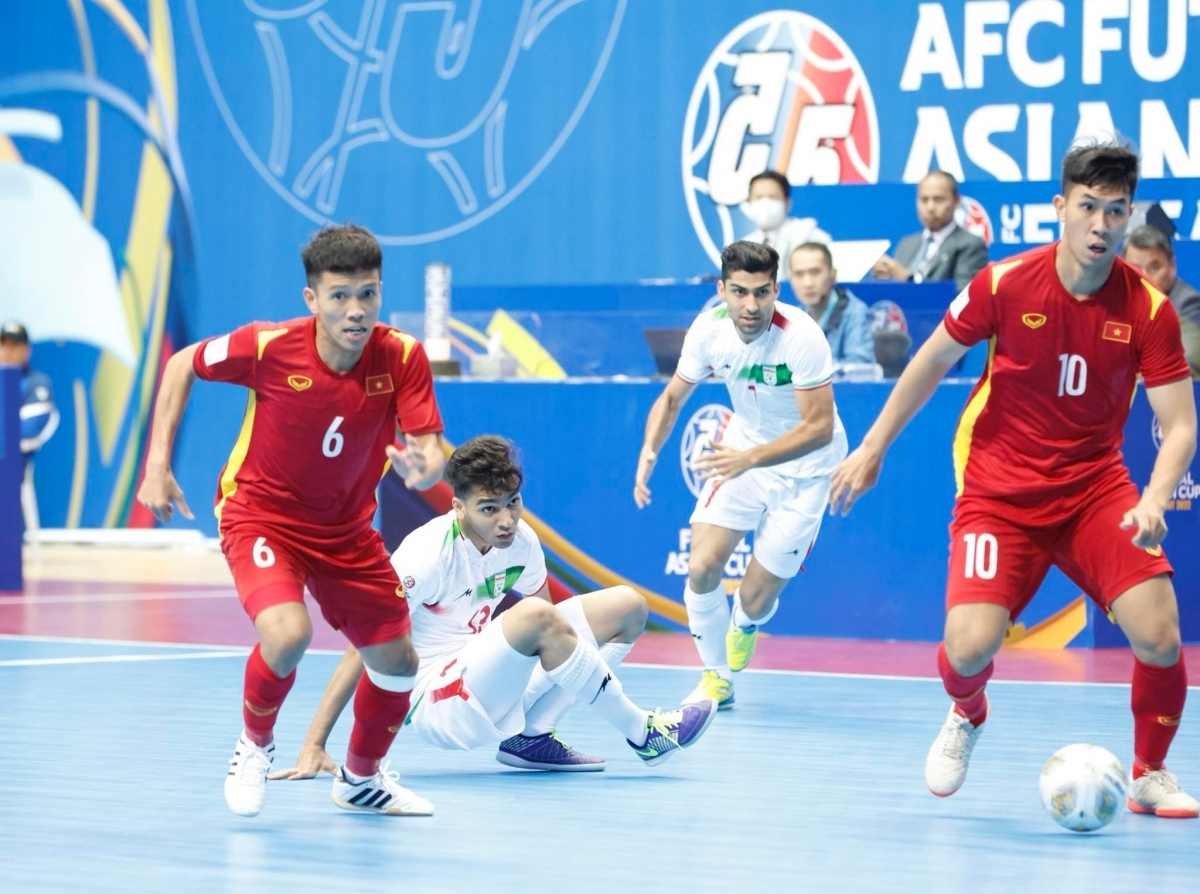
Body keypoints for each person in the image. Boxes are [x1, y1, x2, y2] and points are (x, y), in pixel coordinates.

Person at [831, 142, 1199, 817]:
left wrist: (1153, 497)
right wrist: (874, 445)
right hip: (1000, 495)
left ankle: (1151, 772)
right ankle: (967, 713)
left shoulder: (1149, 311)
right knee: (967, 650)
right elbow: (932, 360)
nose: (1100, 224)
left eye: (1115, 212)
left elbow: (1179, 425)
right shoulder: (1003, 285)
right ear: (1061, 207)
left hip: (1096, 492)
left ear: (1125, 218)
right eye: (1088, 207)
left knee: (1160, 633)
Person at [136, 224, 447, 818]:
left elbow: (429, 448)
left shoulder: (402, 355)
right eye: (339, 296)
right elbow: (180, 364)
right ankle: (253, 746)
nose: (355, 310)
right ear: (312, 300)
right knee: (287, 635)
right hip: (263, 517)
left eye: (368, 294)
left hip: (347, 531)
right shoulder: (267, 345)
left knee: (398, 663)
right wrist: (157, 464)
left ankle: (360, 779)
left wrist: (425, 469)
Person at [269, 435, 717, 780]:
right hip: (438, 702)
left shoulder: (521, 542)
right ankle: (644, 733)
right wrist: (314, 742)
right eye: (489, 509)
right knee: (532, 618)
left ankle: (532, 737)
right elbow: (362, 649)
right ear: (458, 507)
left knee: (627, 607)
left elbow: (558, 635)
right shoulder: (426, 554)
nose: (506, 520)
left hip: (488, 673)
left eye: (513, 504)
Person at [634, 241, 848, 708]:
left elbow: (819, 428)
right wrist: (650, 450)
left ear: (775, 289)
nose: (751, 305)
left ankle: (746, 624)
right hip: (745, 450)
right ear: (722, 290)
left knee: (753, 599)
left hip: (806, 471)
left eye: (761, 292)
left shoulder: (802, 337)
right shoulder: (708, 332)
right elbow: (672, 398)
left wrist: (748, 459)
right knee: (701, 566)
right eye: (739, 292)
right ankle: (717, 679)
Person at [871, 171, 988, 291]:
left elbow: (964, 296)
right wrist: (885, 280)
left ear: (956, 202)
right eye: (924, 200)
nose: (930, 207)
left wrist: (908, 280)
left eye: (938, 200)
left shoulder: (970, 244)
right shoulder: (907, 244)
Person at [1123, 225, 1200, 375]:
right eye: (1135, 269)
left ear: (1172, 265)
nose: (1144, 277)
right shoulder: (1116, 303)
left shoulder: (1190, 304)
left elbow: (1184, 370)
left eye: (1154, 267)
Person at [787, 242, 875, 365]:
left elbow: (859, 368)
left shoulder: (855, 313)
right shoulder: (793, 318)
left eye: (815, 272)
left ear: (832, 274)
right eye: (799, 274)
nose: (808, 283)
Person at [741, 170, 831, 271]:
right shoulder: (743, 247)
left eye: (772, 197)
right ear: (748, 204)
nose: (765, 203)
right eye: (759, 197)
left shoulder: (809, 235)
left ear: (787, 203)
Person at [0, 320, 59, 468]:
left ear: (27, 350)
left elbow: (26, 432)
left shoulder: (37, 383)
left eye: (14, 346)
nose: (8, 351)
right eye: (4, 345)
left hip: (15, 477)